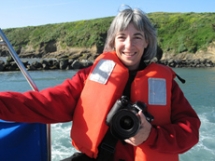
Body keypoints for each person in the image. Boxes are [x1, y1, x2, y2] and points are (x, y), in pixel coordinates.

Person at [0, 6, 200, 161]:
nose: (129, 45)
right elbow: (48, 103)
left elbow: (190, 130)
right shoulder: (90, 76)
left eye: (137, 37)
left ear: (147, 42)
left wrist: (150, 135)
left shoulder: (167, 85)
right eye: (122, 37)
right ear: (113, 41)